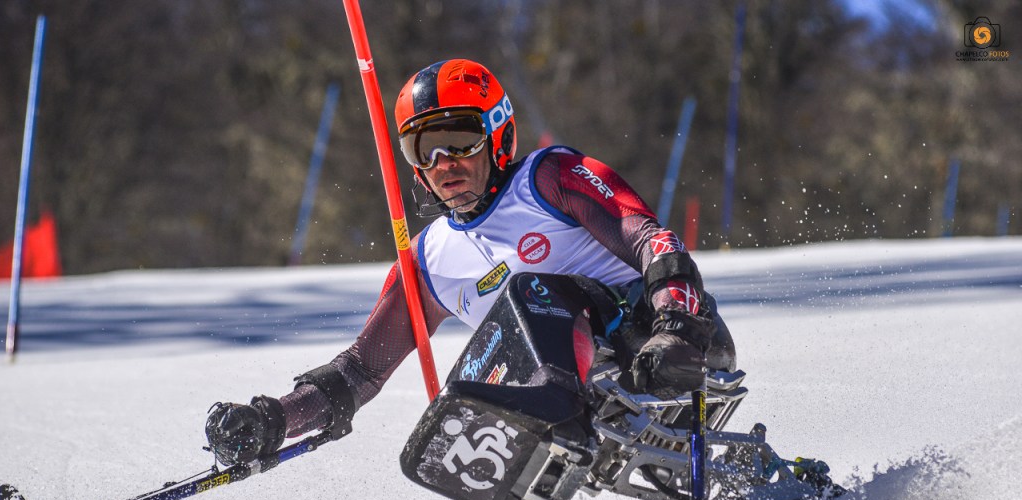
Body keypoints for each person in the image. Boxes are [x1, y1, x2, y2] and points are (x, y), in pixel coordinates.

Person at [206, 59, 734, 467]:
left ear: (498, 133)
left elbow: (653, 241)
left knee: (528, 294)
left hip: (660, 345)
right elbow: (360, 370)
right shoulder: (429, 261)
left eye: (458, 141)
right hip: (567, 397)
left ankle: (559, 419)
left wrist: (676, 331)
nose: (443, 164)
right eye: (423, 150)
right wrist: (273, 419)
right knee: (464, 387)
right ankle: (517, 461)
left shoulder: (550, 179)